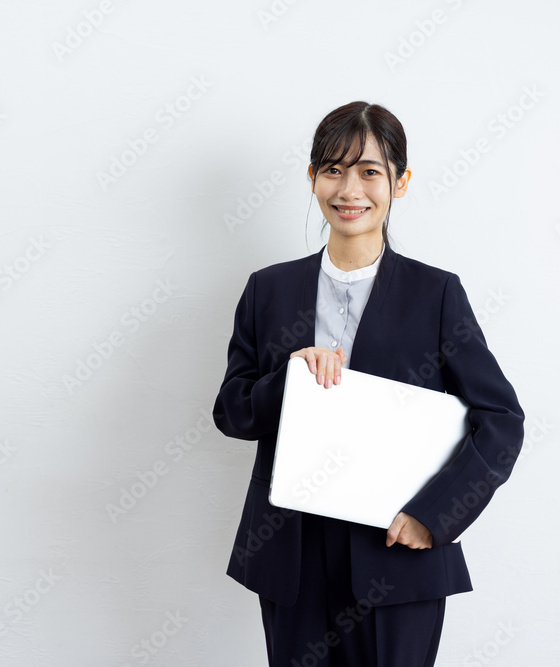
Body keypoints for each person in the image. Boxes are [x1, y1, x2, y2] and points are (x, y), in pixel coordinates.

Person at [211, 101, 525, 666]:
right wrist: (288, 379)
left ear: (399, 182)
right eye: (333, 170)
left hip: (396, 554)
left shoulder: (436, 294)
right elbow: (232, 413)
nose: (349, 189)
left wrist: (435, 516)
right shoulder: (268, 290)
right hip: (293, 557)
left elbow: (501, 420)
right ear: (313, 178)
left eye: (369, 171)